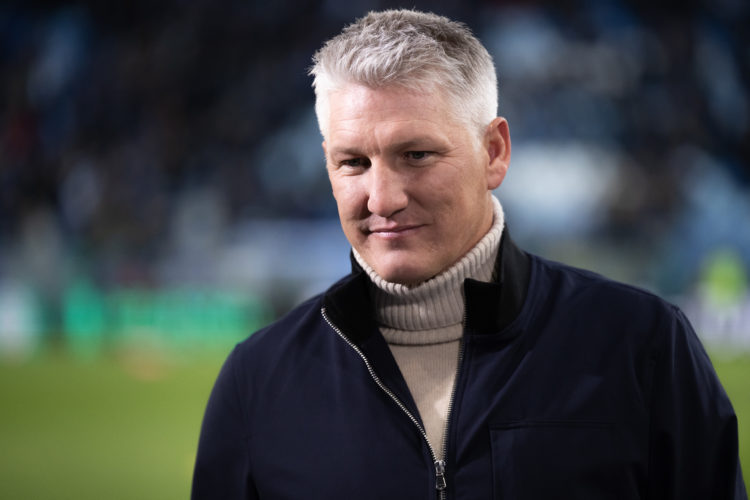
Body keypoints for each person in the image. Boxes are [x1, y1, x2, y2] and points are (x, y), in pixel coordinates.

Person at [192, 9, 747, 499]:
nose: (382, 198)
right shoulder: (257, 380)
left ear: (494, 152)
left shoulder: (644, 347)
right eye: (352, 162)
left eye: (416, 154)